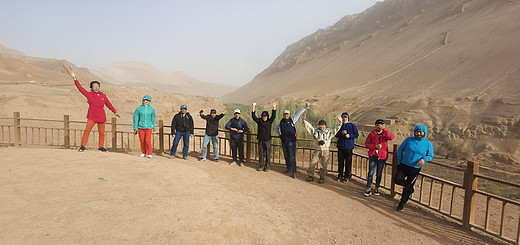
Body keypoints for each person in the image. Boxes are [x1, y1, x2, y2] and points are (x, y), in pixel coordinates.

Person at [66, 67, 119, 152]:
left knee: (102, 133)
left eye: (97, 86)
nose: (96, 87)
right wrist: (75, 78)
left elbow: (108, 104)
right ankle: (83, 146)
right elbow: (80, 88)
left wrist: (115, 111)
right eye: (94, 86)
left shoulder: (103, 96)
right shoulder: (89, 95)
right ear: (91, 88)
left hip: (101, 117)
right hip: (92, 116)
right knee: (87, 131)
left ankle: (101, 146)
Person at [394, 125, 434, 211]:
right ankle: (410, 187)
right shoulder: (409, 140)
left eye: (421, 132)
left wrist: (424, 159)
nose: (419, 133)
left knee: (407, 188)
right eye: (417, 131)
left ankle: (402, 203)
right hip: (403, 165)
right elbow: (400, 149)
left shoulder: (428, 144)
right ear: (414, 132)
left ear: (424, 133)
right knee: (397, 179)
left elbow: (430, 155)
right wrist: (399, 161)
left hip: (415, 168)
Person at [302, 113, 342, 184]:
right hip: (317, 149)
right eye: (320, 125)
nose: (322, 126)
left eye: (323, 125)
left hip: (325, 150)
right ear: (318, 125)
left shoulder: (329, 132)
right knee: (312, 163)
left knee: (324, 164)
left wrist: (340, 123)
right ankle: (311, 176)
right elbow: (309, 127)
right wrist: (304, 120)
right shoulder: (315, 132)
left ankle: (322, 177)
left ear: (325, 126)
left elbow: (336, 130)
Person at [275, 102, 308, 179]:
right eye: (285, 114)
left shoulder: (292, 120)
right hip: (284, 142)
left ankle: (293, 172)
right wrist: (279, 135)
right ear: (283, 115)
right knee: (286, 156)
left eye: (287, 114)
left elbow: (298, 114)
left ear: (289, 115)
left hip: (291, 142)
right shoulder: (281, 122)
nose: (286, 115)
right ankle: (288, 168)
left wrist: (305, 108)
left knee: (292, 157)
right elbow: (276, 128)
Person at [364, 119, 394, 196]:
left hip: (382, 156)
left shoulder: (385, 134)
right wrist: (375, 146)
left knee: (379, 173)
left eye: (381, 125)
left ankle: (376, 188)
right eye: (377, 125)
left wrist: (384, 130)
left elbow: (391, 137)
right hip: (373, 155)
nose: (379, 126)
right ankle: (368, 188)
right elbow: (367, 144)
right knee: (371, 173)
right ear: (375, 126)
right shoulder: (372, 134)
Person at [251, 103, 277, 172]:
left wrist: (274, 108)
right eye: (263, 116)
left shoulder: (269, 121)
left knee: (268, 153)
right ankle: (261, 165)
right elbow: (254, 117)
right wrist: (253, 109)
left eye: (265, 116)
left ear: (267, 116)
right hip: (260, 140)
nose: (264, 117)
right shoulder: (259, 121)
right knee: (261, 153)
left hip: (267, 140)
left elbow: (273, 116)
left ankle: (267, 166)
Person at [335, 112, 359, 183]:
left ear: (348, 118)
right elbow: (335, 134)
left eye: (346, 117)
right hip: (341, 147)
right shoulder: (339, 126)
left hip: (349, 147)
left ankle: (346, 176)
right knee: (340, 162)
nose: (344, 119)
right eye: (343, 117)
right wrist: (341, 133)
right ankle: (340, 175)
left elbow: (356, 134)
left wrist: (350, 136)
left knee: (348, 163)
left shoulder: (352, 126)